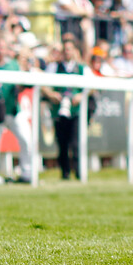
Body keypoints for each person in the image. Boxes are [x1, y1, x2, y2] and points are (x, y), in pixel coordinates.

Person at [41, 37, 86, 180]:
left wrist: (80, 96)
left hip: (75, 111)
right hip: (58, 111)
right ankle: (65, 173)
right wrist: (51, 94)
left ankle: (79, 172)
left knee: (76, 142)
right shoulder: (54, 67)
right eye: (64, 50)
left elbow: (90, 87)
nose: (67, 52)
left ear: (74, 51)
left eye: (69, 49)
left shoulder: (81, 68)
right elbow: (43, 84)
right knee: (62, 143)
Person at [0, 38, 33, 184]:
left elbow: (22, 84)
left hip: (13, 110)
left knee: (26, 139)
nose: (0, 51)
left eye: (2, 48)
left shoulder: (13, 65)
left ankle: (27, 173)